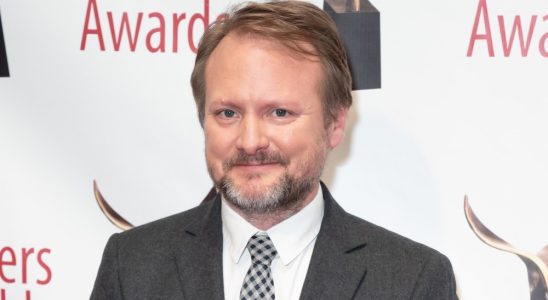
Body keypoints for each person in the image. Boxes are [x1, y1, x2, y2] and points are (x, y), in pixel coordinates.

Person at [90, 1, 458, 299]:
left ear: (335, 123)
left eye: (279, 113)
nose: (250, 141)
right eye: (228, 113)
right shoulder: (132, 266)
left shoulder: (413, 281)